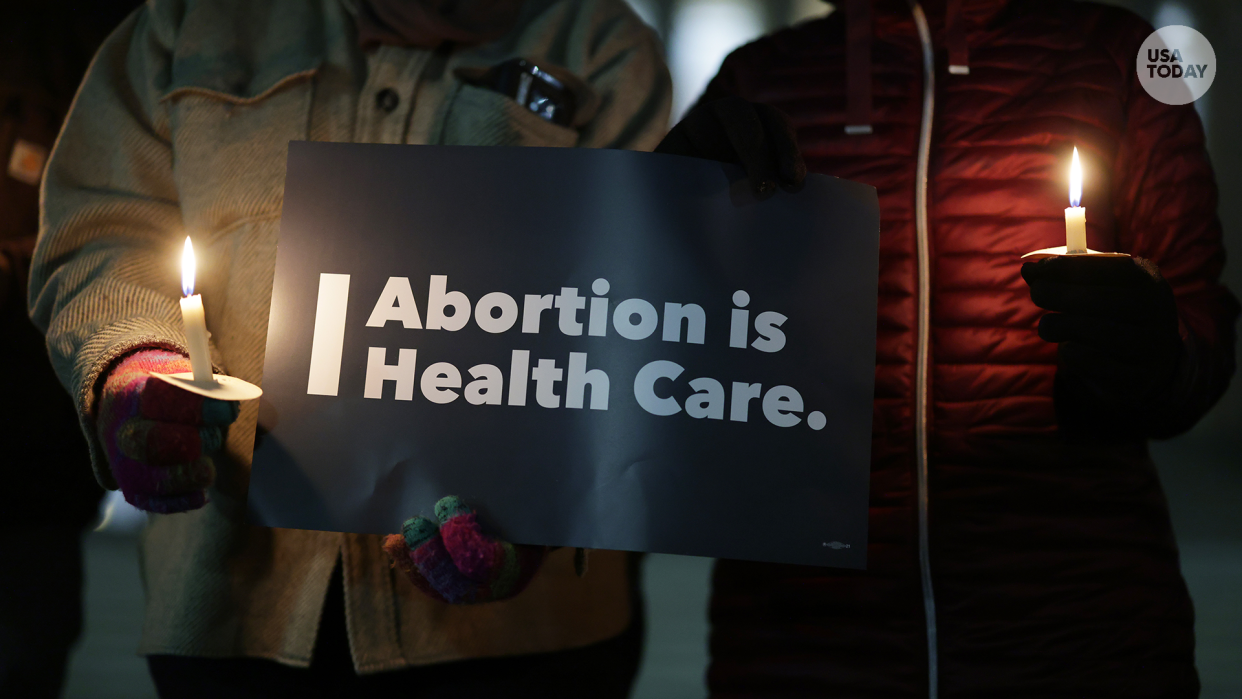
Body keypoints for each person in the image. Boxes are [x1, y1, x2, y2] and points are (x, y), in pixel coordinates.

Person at [30, 0, 672, 694]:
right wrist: (136, 361)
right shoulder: (189, 22)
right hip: (237, 605)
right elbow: (105, 226)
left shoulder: (603, 43)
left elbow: (629, 317)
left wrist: (536, 501)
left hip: (522, 644)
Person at [686, 0, 1239, 697]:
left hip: (1076, 627)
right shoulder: (764, 75)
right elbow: (673, 352)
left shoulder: (1117, 55)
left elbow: (1201, 334)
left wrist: (1154, 357)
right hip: (802, 637)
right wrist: (661, 210)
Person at [0, 3, 138, 696]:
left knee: (29, 646)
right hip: (42, 465)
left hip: (34, 459)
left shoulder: (90, 44)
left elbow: (103, 234)